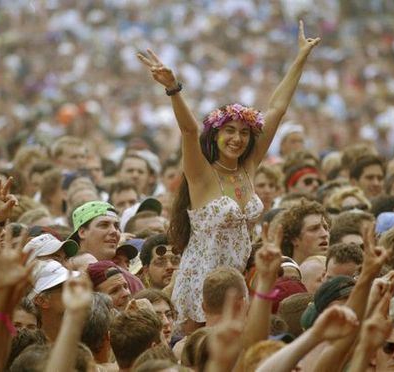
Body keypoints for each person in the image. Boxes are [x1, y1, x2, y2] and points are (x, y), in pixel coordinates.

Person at [137, 20, 320, 326]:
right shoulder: (201, 173)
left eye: (245, 133)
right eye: (229, 131)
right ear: (215, 135)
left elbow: (276, 109)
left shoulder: (248, 167)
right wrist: (173, 88)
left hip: (237, 283)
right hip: (199, 284)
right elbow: (188, 128)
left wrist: (301, 57)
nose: (238, 138)